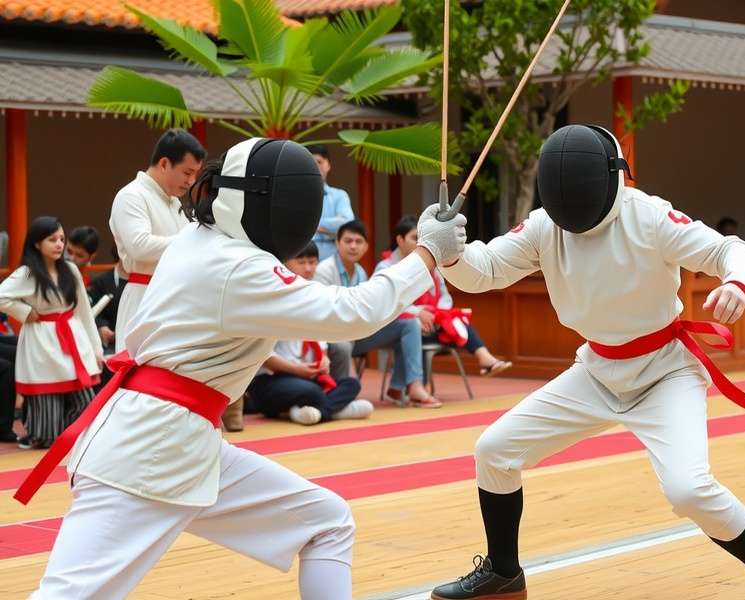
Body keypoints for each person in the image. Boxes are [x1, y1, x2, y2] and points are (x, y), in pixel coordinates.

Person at [16, 138, 466, 600]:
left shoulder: (199, 238)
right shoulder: (237, 265)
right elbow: (353, 312)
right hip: (146, 450)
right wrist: (426, 254)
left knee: (326, 523)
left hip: (182, 441)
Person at [429, 124, 745, 600]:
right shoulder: (545, 225)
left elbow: (729, 249)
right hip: (597, 370)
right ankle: (503, 573)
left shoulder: (649, 216)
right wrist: (449, 252)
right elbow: (485, 272)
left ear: (612, 177)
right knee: (494, 451)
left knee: (687, 490)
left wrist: (737, 283)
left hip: (665, 371)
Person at [0, 217, 103, 450]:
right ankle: (46, 435)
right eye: (52, 239)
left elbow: (84, 312)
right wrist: (25, 311)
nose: (59, 244)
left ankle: (70, 435)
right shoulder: (27, 273)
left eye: (61, 239)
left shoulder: (71, 270)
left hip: (72, 336)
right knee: (46, 431)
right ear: (37, 243)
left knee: (86, 403)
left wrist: (96, 349)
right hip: (42, 340)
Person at [316, 220, 441, 408]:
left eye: (358, 242)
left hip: (357, 332)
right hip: (332, 334)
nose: (353, 246)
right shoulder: (324, 271)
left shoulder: (360, 272)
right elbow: (323, 312)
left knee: (409, 326)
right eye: (348, 241)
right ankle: (347, 394)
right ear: (337, 243)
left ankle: (409, 386)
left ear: (366, 247)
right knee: (343, 344)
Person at [246, 243, 373, 426]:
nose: (308, 268)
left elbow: (321, 347)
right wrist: (296, 369)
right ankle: (335, 410)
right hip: (272, 380)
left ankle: (309, 412)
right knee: (311, 391)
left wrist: (324, 361)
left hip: (307, 378)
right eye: (301, 262)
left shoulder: (316, 296)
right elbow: (264, 356)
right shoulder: (273, 299)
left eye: (312, 262)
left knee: (352, 384)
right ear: (284, 263)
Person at [376, 215, 512, 377]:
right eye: (414, 238)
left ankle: (485, 358)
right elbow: (385, 302)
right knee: (413, 328)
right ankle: (415, 386)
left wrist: (436, 316)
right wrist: (418, 313)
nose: (419, 244)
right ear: (400, 240)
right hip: (401, 327)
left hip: (431, 322)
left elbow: (445, 298)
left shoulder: (431, 264)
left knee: (457, 320)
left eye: (422, 239)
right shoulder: (385, 267)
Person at [110, 128, 205, 352]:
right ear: (164, 163)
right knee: (141, 367)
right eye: (187, 172)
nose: (191, 181)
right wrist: (193, 239)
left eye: (195, 174)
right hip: (144, 299)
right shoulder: (132, 195)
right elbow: (139, 246)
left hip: (176, 299)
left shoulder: (174, 202)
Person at [308, 144, 355, 261]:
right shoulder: (295, 195)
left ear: (328, 165)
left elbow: (347, 224)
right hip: (303, 257)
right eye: (311, 162)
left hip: (333, 258)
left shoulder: (340, 195)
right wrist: (331, 229)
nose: (315, 166)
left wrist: (309, 224)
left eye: (319, 162)